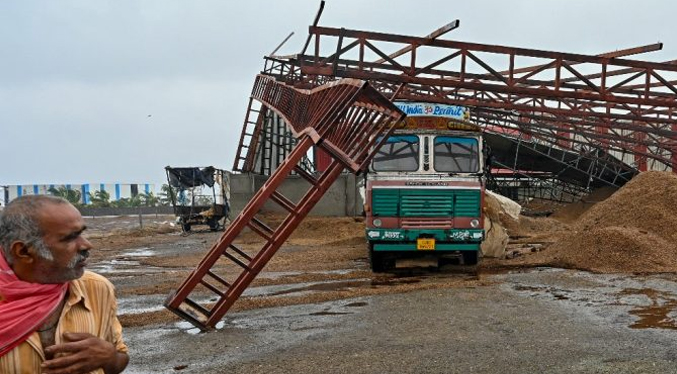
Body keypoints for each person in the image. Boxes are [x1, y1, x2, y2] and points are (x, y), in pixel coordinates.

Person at [0, 195, 129, 374]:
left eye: (81, 233)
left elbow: (119, 359)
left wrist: (109, 357)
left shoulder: (97, 288)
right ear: (23, 251)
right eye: (69, 238)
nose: (86, 245)